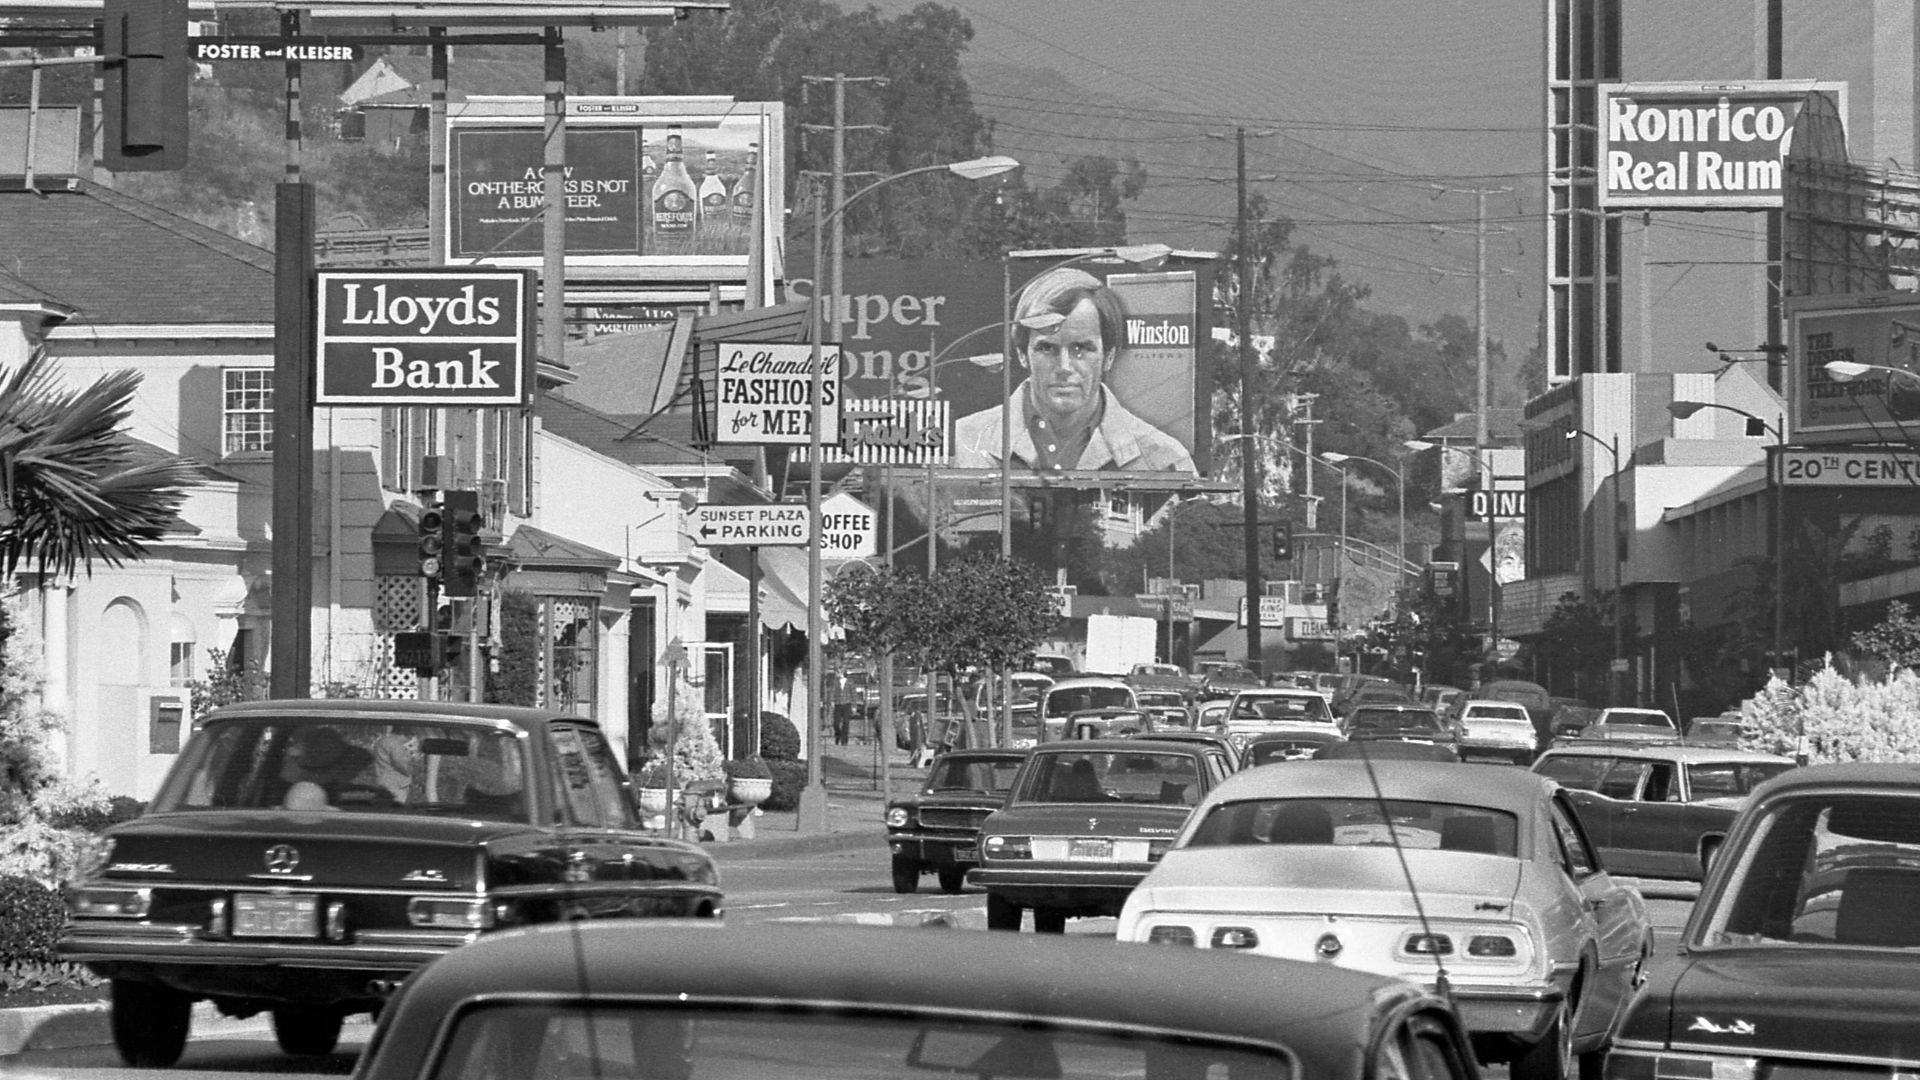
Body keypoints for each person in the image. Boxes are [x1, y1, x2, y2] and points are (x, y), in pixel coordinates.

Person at [952, 268, 1196, 474]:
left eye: (1081, 349)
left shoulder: (1166, 459)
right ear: (1022, 355)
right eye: (1047, 348)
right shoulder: (964, 440)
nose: (1064, 368)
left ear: (1109, 356)